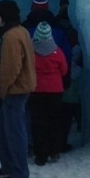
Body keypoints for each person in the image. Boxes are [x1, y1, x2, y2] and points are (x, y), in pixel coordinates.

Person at [0, 0, 36, 178]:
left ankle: (18, 172)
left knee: (13, 131)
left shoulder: (10, 36)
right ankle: (9, 167)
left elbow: (11, 67)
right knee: (4, 129)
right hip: (21, 88)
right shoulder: (22, 31)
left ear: (3, 16)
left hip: (14, 90)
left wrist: (1, 90)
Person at [30, 21, 69, 166]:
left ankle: (41, 154)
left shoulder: (31, 52)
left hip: (37, 91)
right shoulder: (57, 52)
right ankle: (54, 151)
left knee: (39, 122)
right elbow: (64, 70)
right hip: (55, 91)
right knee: (54, 121)